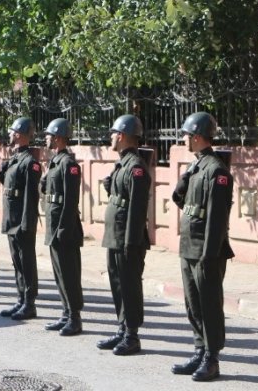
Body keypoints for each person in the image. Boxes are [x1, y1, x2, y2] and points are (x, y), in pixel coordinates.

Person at [170, 112, 234, 382]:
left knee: (209, 305)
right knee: (193, 303)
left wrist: (209, 254)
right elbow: (182, 200)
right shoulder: (196, 167)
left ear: (197, 137)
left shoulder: (216, 171)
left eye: (186, 134)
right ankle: (199, 348)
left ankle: (212, 357)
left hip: (206, 251)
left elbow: (217, 220)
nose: (183, 138)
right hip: (189, 246)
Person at [96, 115, 152, 356]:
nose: (110, 137)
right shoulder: (123, 163)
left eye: (113, 133)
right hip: (115, 236)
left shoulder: (136, 168)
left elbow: (137, 211)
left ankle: (132, 335)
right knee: (118, 284)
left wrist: (131, 242)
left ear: (121, 135)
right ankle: (122, 329)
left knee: (129, 286)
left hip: (127, 239)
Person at [41, 118, 84, 336]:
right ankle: (66, 313)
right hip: (54, 227)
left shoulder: (69, 164)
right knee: (59, 274)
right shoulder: (55, 162)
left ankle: (75, 317)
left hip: (64, 229)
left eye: (48, 135)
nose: (45, 138)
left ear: (57, 137)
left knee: (69, 274)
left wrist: (63, 230)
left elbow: (70, 200)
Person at [0, 117, 41, 320]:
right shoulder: (15, 158)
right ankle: (20, 298)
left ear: (19, 134)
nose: (8, 134)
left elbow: (31, 198)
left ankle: (29, 303)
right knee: (17, 262)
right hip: (11, 218)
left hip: (22, 221)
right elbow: (4, 181)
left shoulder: (30, 163)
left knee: (26, 262)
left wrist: (26, 223)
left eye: (11, 131)